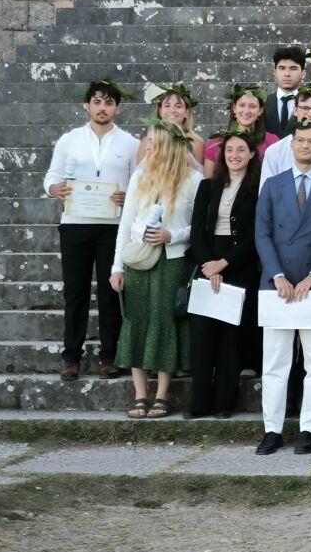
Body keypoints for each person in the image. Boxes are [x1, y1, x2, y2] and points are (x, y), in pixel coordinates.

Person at [253, 120, 311, 454]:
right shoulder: (273, 184)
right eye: (300, 140)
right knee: (275, 362)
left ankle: (309, 429)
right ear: (291, 144)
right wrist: (277, 275)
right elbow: (262, 233)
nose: (306, 146)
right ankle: (272, 429)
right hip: (277, 286)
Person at [44, 78, 140, 381]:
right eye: (97, 102)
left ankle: (109, 356)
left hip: (113, 226)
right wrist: (55, 189)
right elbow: (51, 177)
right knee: (76, 292)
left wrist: (128, 196)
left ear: (117, 108)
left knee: (111, 292)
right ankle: (71, 357)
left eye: (109, 102)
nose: (102, 108)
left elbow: (139, 182)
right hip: (75, 224)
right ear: (87, 106)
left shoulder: (130, 143)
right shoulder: (69, 140)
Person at [111, 119, 201, 419]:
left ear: (168, 145)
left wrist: (171, 236)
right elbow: (126, 224)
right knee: (136, 320)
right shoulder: (140, 175)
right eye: (148, 140)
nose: (148, 145)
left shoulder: (193, 179)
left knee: (164, 321)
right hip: (138, 259)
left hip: (172, 261)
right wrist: (116, 267)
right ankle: (140, 394)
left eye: (153, 140)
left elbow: (198, 227)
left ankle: (162, 394)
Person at [185, 127, 260, 419]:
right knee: (202, 336)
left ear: (251, 154)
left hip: (239, 265)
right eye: (229, 150)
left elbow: (255, 236)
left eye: (241, 150)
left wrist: (224, 263)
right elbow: (196, 230)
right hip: (207, 262)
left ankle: (224, 403)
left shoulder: (257, 189)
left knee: (231, 338)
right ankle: (199, 402)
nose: (234, 155)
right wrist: (209, 264)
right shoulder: (208, 186)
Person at [260, 87, 311, 184]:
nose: (310, 114)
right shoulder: (275, 151)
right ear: (295, 110)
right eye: (304, 108)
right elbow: (266, 190)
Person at [203, 84, 277, 177]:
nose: (246, 111)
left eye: (252, 106)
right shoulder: (214, 143)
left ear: (260, 111)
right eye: (242, 105)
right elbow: (208, 180)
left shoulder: (272, 142)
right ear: (234, 108)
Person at [136, 82, 205, 167]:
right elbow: (140, 172)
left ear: (187, 112)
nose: (172, 110)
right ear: (160, 111)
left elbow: (201, 174)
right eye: (167, 105)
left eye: (178, 106)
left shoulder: (196, 143)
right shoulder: (147, 142)